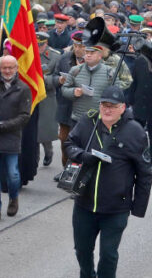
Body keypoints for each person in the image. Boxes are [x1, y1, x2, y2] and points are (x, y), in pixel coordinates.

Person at [65, 86, 152, 278]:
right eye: (104, 105)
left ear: (123, 108)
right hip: (84, 204)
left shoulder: (135, 132)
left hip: (116, 208)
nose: (107, 110)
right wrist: (82, 155)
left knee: (108, 255)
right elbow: (69, 144)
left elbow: (145, 173)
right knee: (82, 250)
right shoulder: (88, 122)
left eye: (112, 106)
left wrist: (138, 207)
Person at [0, 56, 31, 222]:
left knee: (13, 174)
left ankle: (13, 198)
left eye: (11, 68)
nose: (7, 71)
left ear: (16, 68)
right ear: (0, 69)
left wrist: (2, 125)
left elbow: (25, 116)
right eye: (4, 68)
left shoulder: (23, 88)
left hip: (11, 137)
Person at [62, 43, 122, 125]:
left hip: (100, 119)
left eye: (92, 53)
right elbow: (64, 89)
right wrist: (73, 92)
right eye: (87, 52)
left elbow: (117, 93)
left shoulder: (110, 72)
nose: (88, 55)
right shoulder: (75, 70)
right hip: (78, 118)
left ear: (100, 55)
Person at [55, 32, 85, 169]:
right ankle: (65, 170)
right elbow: (53, 77)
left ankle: (78, 171)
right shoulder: (64, 58)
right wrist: (58, 80)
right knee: (64, 141)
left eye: (81, 46)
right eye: (75, 45)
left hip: (83, 108)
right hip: (65, 107)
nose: (77, 49)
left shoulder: (93, 61)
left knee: (81, 142)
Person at [35, 34, 61, 166]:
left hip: (47, 95)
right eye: (37, 44)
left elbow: (58, 78)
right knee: (32, 128)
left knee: (45, 128)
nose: (39, 48)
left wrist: (43, 81)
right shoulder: (29, 53)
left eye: (41, 45)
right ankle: (34, 158)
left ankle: (48, 151)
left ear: (46, 43)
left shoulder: (55, 56)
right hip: (32, 95)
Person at [128, 42, 152, 146]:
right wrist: (131, 101)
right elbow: (134, 82)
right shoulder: (140, 60)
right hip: (139, 106)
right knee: (134, 139)